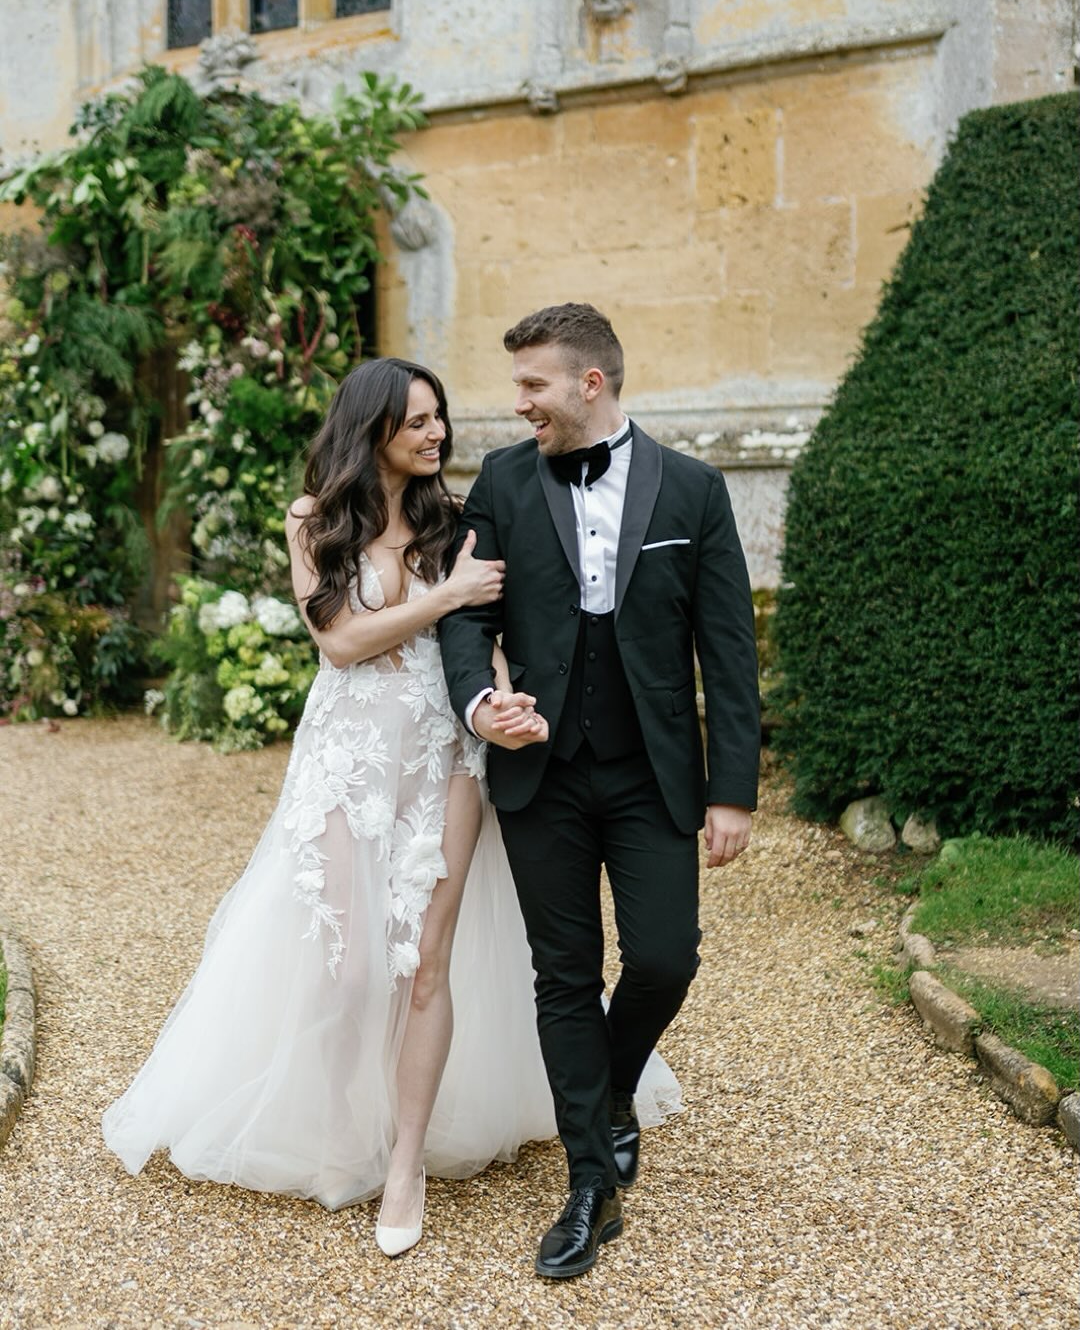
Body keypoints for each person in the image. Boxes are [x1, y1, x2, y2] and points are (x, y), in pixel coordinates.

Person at [102, 357, 681, 1259]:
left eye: (438, 418)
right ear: (371, 425)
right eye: (417, 420)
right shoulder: (314, 521)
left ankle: (404, 1162)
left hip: (447, 754)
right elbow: (339, 643)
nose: (435, 433)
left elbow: (479, 643)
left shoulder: (456, 521)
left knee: (425, 963)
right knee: (347, 969)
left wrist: (501, 706)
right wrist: (446, 594)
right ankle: (342, 1127)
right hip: (349, 757)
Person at [439, 304, 760, 1279]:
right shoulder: (499, 481)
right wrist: (478, 701)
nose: (518, 403)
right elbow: (464, 611)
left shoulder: (695, 490)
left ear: (591, 383)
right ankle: (590, 1184)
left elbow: (729, 648)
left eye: (533, 385)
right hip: (540, 774)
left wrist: (733, 788)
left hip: (651, 770)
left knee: (666, 956)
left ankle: (610, 1092)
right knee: (564, 976)